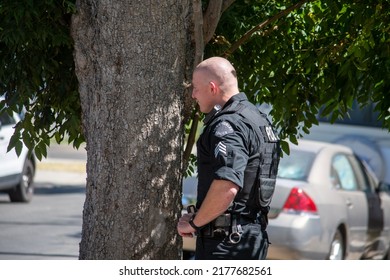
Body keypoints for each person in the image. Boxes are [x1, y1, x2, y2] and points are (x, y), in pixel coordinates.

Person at [177, 57, 281, 260]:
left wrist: (194, 223)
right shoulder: (259, 119)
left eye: (196, 88)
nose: (193, 95)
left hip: (226, 243)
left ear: (212, 88)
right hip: (252, 238)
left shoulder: (228, 125)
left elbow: (227, 186)